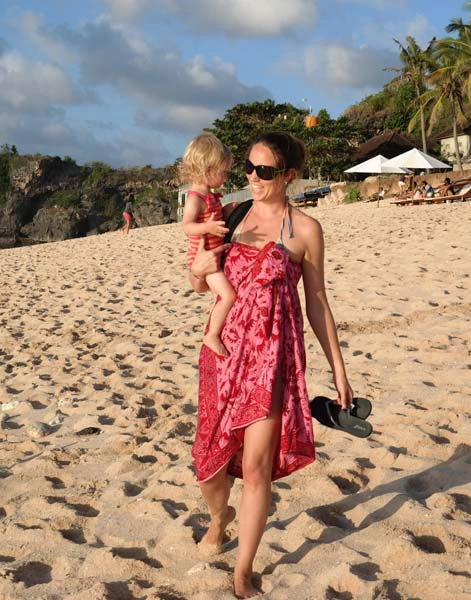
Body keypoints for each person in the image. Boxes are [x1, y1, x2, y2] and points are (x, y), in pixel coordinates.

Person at [188, 131, 353, 598]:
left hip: (272, 360)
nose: (252, 177)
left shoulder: (305, 230)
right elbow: (201, 283)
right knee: (210, 466)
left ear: (289, 176)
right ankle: (220, 517)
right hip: (222, 355)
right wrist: (198, 271)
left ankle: (244, 569)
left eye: (264, 171)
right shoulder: (230, 216)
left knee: (258, 468)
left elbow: (316, 302)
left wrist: (339, 371)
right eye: (248, 167)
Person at [180, 132, 236, 357]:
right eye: (223, 172)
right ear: (207, 171)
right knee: (228, 296)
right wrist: (208, 229)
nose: (225, 176)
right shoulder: (195, 198)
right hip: (203, 259)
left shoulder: (210, 196)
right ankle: (212, 334)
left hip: (213, 256)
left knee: (219, 296)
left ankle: (216, 330)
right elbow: (188, 226)